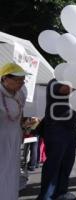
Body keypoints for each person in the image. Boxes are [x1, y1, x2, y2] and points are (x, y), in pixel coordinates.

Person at [37, 79, 76, 200]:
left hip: (70, 129)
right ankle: (46, 196)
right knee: (53, 164)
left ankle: (61, 193)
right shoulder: (55, 82)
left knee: (67, 163)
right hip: (56, 128)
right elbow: (64, 90)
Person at [0, 63, 30, 199]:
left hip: (14, 136)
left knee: (11, 170)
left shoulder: (21, 93)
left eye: (22, 80)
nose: (21, 83)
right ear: (5, 78)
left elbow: (20, 114)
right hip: (1, 138)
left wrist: (25, 125)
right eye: (17, 80)